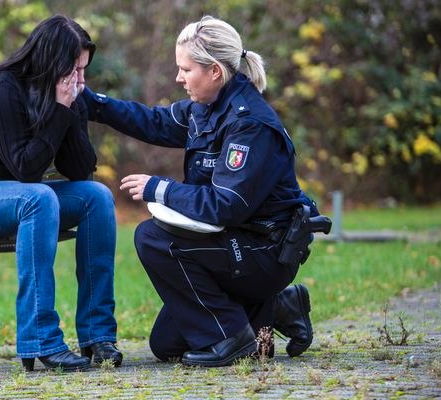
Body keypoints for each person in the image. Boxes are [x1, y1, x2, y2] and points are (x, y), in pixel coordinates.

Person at [81, 15, 318, 367]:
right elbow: (152, 121)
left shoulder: (249, 124)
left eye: (186, 69)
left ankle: (233, 338)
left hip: (263, 250)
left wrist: (157, 188)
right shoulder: (205, 109)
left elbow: (226, 206)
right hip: (234, 244)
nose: (179, 78)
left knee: (153, 238)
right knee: (166, 343)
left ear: (215, 73)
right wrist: (89, 101)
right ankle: (276, 307)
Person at [0, 15, 122, 372]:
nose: (81, 80)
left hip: (12, 197)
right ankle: (41, 340)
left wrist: (72, 108)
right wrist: (60, 109)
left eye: (84, 70)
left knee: (97, 197)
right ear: (51, 62)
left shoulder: (62, 93)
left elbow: (80, 169)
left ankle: (97, 335)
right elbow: (27, 171)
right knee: (38, 197)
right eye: (74, 70)